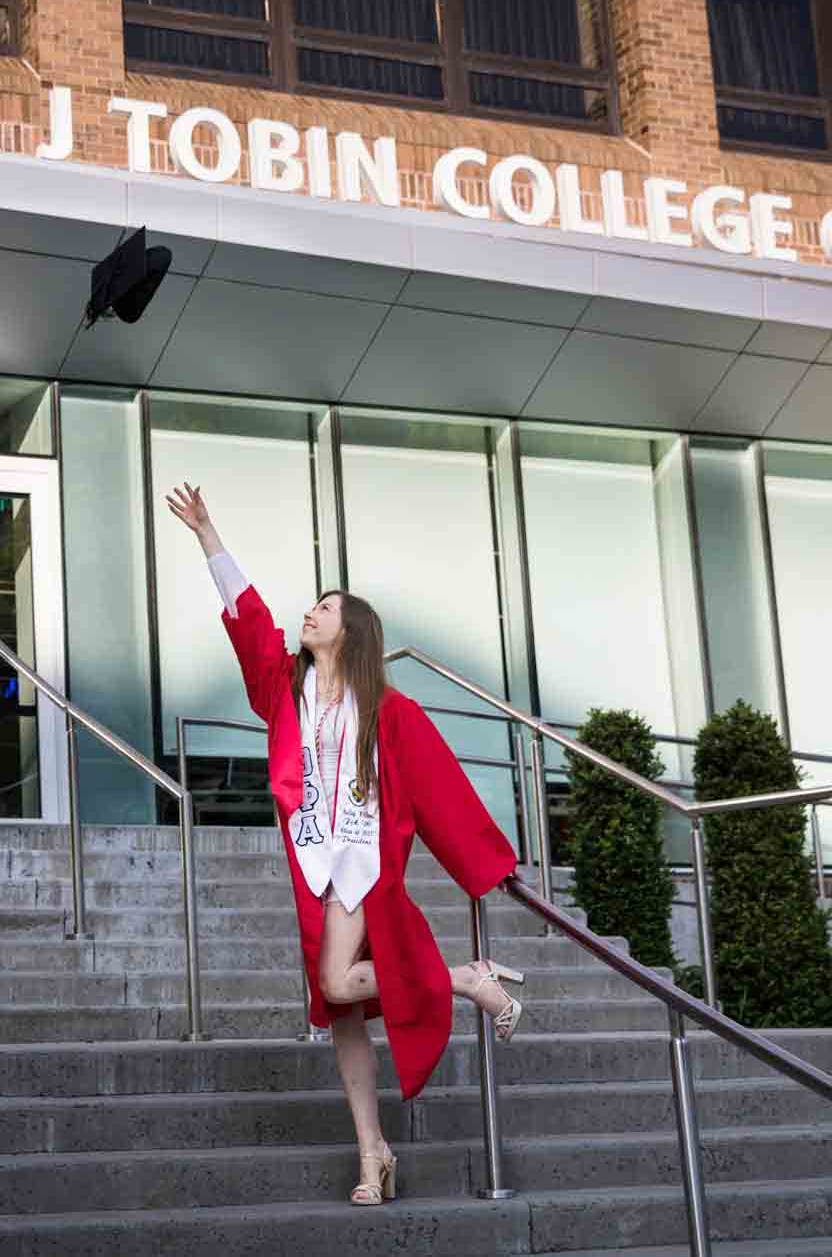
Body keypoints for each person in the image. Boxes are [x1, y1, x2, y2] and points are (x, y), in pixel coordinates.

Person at [165, 482, 526, 1208]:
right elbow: (249, 621)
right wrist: (209, 533)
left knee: (335, 985)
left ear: (349, 631)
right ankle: (373, 1153)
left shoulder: (388, 711)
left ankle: (462, 977)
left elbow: (438, 785)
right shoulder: (282, 691)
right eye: (314, 605)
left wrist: (486, 863)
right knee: (343, 1015)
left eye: (325, 608)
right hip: (313, 866)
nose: (311, 611)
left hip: (362, 864)